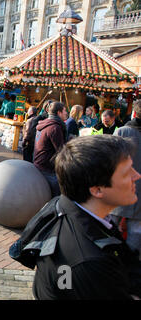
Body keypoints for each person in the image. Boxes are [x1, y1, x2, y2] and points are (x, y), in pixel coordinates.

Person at [10, 134, 141, 300]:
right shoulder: (89, 262)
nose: (136, 175)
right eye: (126, 173)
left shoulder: (63, 206)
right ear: (97, 190)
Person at [111, 100, 141, 257]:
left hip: (119, 188)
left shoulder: (122, 132)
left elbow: (110, 159)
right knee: (136, 232)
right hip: (139, 194)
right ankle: (130, 264)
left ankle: (108, 258)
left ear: (134, 113)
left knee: (109, 226)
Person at [33, 101, 68, 197]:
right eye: (65, 111)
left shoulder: (45, 123)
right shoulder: (54, 127)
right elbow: (61, 151)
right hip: (47, 167)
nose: (66, 113)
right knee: (60, 192)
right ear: (59, 112)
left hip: (39, 162)